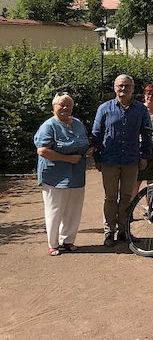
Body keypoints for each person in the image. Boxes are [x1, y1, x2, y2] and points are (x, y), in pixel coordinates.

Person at [92, 74, 152, 247]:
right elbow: (97, 135)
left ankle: (124, 230)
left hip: (131, 160)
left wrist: (144, 156)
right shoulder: (104, 109)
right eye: (120, 86)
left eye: (126, 86)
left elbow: (146, 134)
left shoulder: (140, 109)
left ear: (132, 89)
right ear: (114, 88)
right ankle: (109, 231)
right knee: (110, 197)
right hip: (109, 160)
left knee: (127, 196)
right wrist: (97, 158)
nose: (123, 89)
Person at [34, 93, 95, 255]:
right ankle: (53, 244)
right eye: (61, 105)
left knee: (73, 209)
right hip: (55, 175)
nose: (65, 108)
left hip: (76, 174)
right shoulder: (49, 126)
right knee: (55, 210)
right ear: (54, 107)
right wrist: (67, 159)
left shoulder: (78, 123)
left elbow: (86, 141)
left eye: (68, 105)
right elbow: (43, 151)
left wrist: (90, 149)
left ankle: (67, 240)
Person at [135, 83, 153, 194]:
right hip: (141, 146)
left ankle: (150, 207)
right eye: (148, 94)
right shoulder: (139, 110)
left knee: (152, 181)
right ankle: (130, 206)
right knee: (137, 180)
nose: (150, 97)